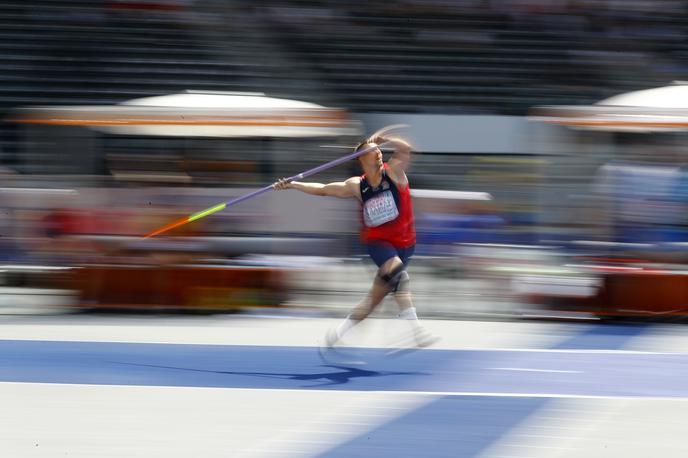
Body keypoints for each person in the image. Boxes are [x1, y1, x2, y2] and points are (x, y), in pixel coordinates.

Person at [273, 131, 439, 350]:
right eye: (372, 152)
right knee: (398, 272)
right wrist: (294, 184)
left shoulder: (395, 172)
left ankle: (337, 334)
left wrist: (382, 138)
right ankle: (416, 331)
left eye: (378, 151)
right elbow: (323, 190)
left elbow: (405, 148)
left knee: (375, 298)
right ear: (361, 159)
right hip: (378, 244)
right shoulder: (356, 186)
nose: (378, 153)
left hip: (406, 245)